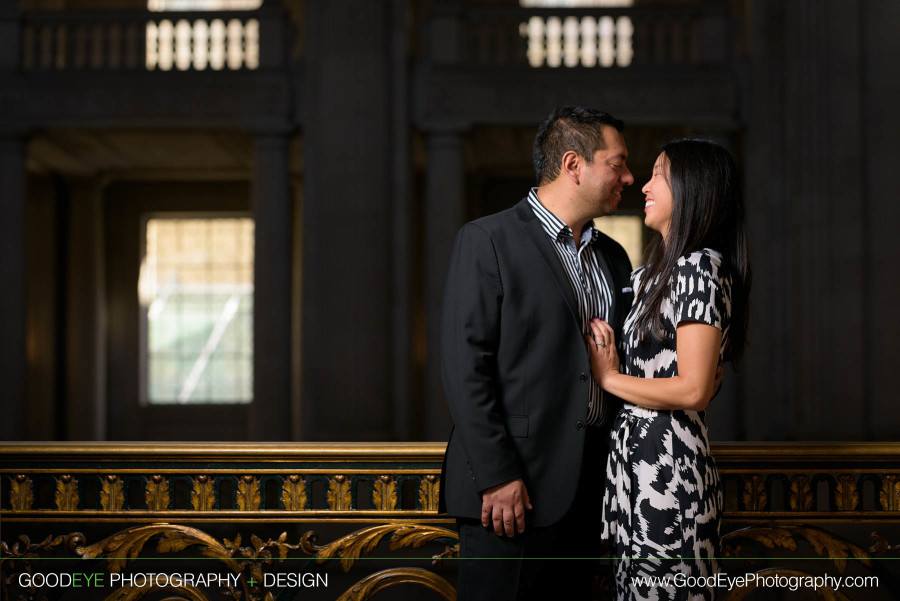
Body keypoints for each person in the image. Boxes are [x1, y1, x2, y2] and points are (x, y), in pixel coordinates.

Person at [439, 106, 635, 600]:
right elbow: (465, 367)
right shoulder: (487, 240)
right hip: (510, 492)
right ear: (574, 164)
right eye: (618, 164)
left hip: (592, 488)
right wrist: (498, 475)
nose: (629, 178)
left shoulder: (614, 256)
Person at [587, 139, 751, 601]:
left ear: (692, 188)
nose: (644, 185)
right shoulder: (650, 276)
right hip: (635, 466)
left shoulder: (702, 266)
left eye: (658, 174)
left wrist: (608, 378)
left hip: (669, 473)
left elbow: (694, 389)